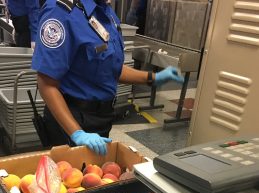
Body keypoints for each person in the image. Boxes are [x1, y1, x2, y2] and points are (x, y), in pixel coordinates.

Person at [32, 0, 184, 156]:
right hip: (71, 120)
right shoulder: (61, 12)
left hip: (103, 118)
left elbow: (110, 68)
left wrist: (152, 77)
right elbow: (46, 84)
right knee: (69, 177)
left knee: (98, 176)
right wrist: (77, 133)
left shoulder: (106, 12)